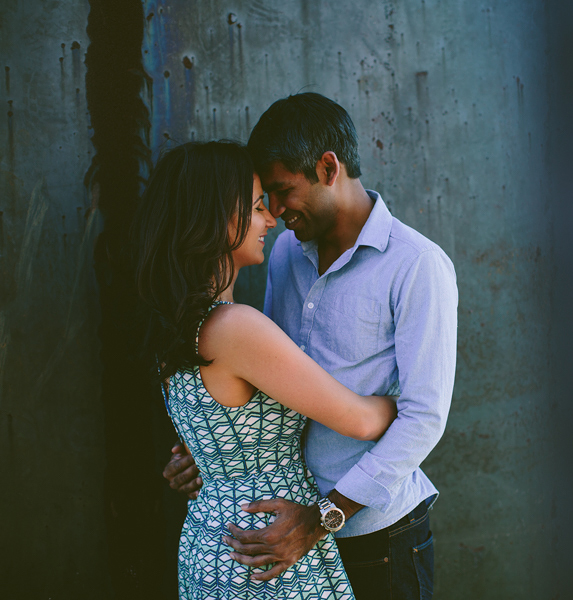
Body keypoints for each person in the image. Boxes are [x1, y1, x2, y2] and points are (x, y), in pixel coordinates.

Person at [164, 93, 459, 600]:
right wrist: (216, 451)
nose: (275, 212)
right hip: (285, 537)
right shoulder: (284, 254)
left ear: (328, 167)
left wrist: (324, 517)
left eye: (281, 191)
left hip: (375, 535)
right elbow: (269, 382)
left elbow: (425, 419)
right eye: (264, 202)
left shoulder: (416, 266)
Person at [133, 140, 398, 599]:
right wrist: (413, 403)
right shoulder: (235, 327)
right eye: (257, 206)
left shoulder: (179, 324)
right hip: (265, 555)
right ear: (215, 218)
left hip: (214, 545)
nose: (271, 220)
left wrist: (198, 458)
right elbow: (360, 419)